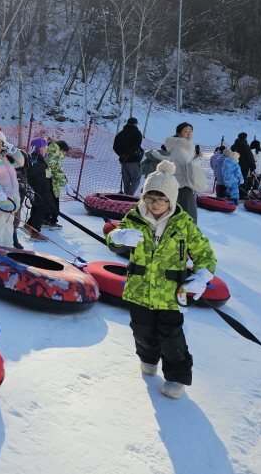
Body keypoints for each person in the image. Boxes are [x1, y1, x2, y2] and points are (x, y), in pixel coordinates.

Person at [105, 161, 218, 400]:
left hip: (168, 293)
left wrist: (202, 274)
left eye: (160, 200)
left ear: (171, 200)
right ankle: (147, 358)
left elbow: (204, 252)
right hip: (138, 289)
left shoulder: (183, 224)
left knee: (171, 335)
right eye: (149, 198)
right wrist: (118, 236)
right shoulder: (134, 216)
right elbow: (113, 239)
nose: (154, 205)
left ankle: (177, 376)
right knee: (141, 329)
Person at [164, 122, 205, 223]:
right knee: (189, 213)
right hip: (183, 185)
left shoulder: (186, 147)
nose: (189, 134)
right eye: (185, 132)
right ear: (179, 134)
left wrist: (195, 159)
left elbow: (189, 163)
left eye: (190, 131)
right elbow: (189, 166)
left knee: (185, 212)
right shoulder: (179, 148)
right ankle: (189, 235)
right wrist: (200, 158)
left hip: (185, 183)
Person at [24, 137, 55, 242]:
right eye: (44, 147)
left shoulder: (42, 161)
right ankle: (35, 233)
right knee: (40, 211)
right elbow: (31, 174)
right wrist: (32, 163)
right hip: (38, 191)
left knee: (37, 210)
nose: (46, 149)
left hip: (43, 190)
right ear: (37, 148)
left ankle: (29, 225)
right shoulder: (34, 160)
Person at [113, 117, 144, 196]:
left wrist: (122, 155)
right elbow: (136, 146)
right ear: (135, 124)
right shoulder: (137, 133)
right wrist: (128, 154)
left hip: (123, 161)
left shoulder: (120, 133)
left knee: (126, 180)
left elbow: (115, 147)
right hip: (133, 160)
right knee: (136, 178)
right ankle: (130, 196)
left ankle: (126, 195)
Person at [44, 139, 70, 230]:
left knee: (47, 202)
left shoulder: (49, 153)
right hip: (54, 184)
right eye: (65, 153)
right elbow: (58, 172)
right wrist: (66, 184)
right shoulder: (56, 156)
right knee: (55, 203)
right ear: (62, 150)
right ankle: (53, 222)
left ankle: (45, 219)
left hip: (46, 184)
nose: (64, 155)